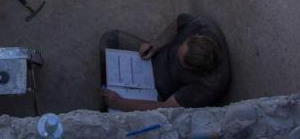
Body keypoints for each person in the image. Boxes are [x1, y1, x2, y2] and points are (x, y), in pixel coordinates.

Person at [99, 14, 231, 110]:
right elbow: (177, 23)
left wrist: (121, 103)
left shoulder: (207, 87)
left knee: (117, 113)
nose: (174, 58)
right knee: (109, 38)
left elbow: (166, 107)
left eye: (180, 63)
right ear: (195, 37)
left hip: (158, 95)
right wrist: (156, 44)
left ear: (195, 71)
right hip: (152, 57)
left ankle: (110, 101)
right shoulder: (201, 26)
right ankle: (109, 88)